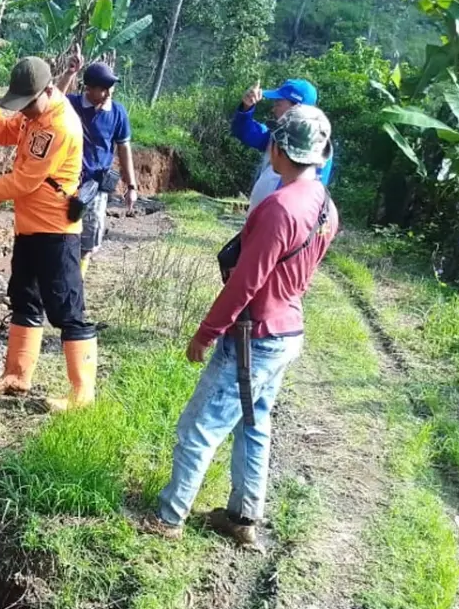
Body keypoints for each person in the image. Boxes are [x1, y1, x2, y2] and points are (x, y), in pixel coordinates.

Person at [146, 105, 340, 546]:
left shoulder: (279, 208)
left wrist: (206, 332)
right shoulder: (325, 206)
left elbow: (244, 284)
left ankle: (169, 518)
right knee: (255, 423)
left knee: (199, 428)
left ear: (278, 147)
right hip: (287, 332)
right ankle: (243, 517)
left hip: (254, 337)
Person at [0, 56, 97, 412]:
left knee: (66, 309)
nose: (25, 111)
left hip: (56, 233)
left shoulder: (58, 126)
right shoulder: (36, 115)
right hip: (28, 228)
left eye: (28, 104)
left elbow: (23, 181)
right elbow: (5, 131)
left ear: (48, 90)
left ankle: (82, 395)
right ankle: (17, 375)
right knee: (24, 299)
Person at [55, 50, 139, 277]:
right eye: (103, 88)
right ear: (89, 89)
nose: (108, 92)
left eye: (110, 87)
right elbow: (53, 100)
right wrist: (70, 73)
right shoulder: (73, 104)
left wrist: (131, 186)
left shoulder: (118, 113)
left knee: (87, 245)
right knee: (58, 237)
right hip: (65, 184)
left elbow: (124, 149)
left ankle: (75, 284)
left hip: (96, 189)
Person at [233, 79, 335, 213]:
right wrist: (247, 107)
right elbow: (244, 132)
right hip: (263, 220)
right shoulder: (276, 135)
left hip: (282, 221)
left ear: (297, 107)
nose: (273, 108)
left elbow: (309, 197)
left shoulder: (317, 149)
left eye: (279, 103)